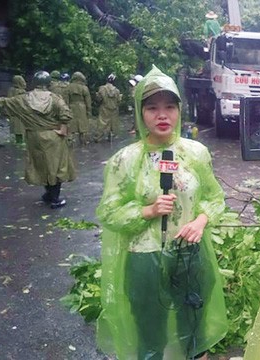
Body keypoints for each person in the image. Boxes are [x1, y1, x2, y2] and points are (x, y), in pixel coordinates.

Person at [96, 65, 227, 360]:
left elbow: (214, 197)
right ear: (141, 114)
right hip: (145, 257)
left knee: (193, 322)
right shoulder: (126, 160)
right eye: (152, 108)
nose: (162, 115)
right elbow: (108, 211)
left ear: (180, 110)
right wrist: (147, 210)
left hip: (190, 253)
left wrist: (200, 220)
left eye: (170, 106)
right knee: (150, 329)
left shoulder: (195, 153)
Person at [0, 71, 75, 209]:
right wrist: (63, 130)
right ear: (48, 83)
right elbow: (66, 114)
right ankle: (55, 199)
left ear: (34, 82)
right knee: (56, 167)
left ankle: (48, 194)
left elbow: (5, 103)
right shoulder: (56, 99)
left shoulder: (23, 99)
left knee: (41, 165)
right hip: (53, 136)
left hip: (34, 137)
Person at [66, 71, 92, 145]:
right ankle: (84, 141)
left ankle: (70, 141)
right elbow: (88, 101)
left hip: (71, 107)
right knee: (83, 126)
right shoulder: (84, 88)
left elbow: (66, 100)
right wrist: (89, 112)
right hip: (82, 108)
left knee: (71, 125)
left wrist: (66, 110)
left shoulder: (68, 87)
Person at [95, 73, 122, 141]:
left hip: (104, 108)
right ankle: (111, 137)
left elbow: (99, 99)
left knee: (102, 123)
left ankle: (98, 137)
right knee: (113, 123)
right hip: (114, 109)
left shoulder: (102, 88)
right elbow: (118, 101)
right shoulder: (117, 90)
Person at [7, 75, 27, 144]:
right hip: (21, 113)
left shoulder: (11, 90)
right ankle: (21, 142)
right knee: (21, 128)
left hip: (13, 112)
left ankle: (18, 141)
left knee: (17, 128)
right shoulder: (22, 91)